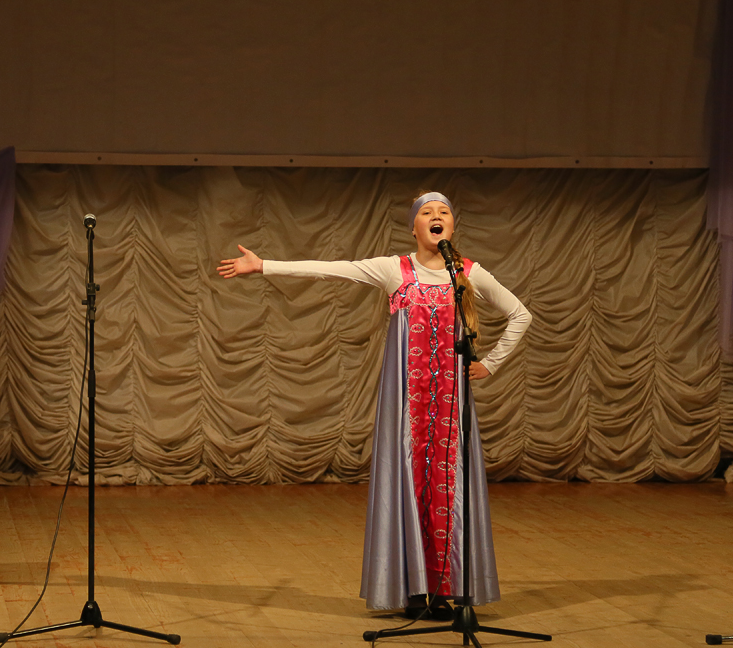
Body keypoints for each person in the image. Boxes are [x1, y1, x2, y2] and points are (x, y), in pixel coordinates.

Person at [218, 191, 531, 619]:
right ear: (414, 227)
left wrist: (490, 364)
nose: (436, 217)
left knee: (448, 486)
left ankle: (446, 588)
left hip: (450, 407)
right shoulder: (394, 270)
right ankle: (413, 589)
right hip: (407, 405)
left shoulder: (468, 273)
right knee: (408, 483)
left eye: (443, 212)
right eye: (427, 212)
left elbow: (520, 314)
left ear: (452, 225)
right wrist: (263, 266)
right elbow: (333, 270)